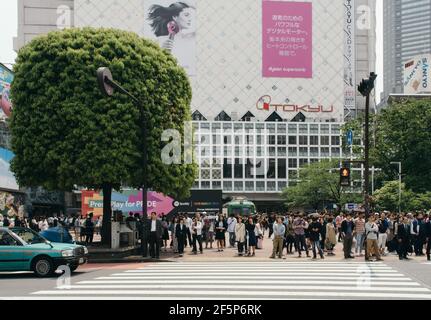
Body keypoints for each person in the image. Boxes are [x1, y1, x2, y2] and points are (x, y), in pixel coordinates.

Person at [148, 2, 196, 74]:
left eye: (190, 16)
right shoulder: (161, 41)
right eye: (186, 15)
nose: (190, 19)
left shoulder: (191, 38)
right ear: (175, 17)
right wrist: (161, 52)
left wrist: (190, 5)